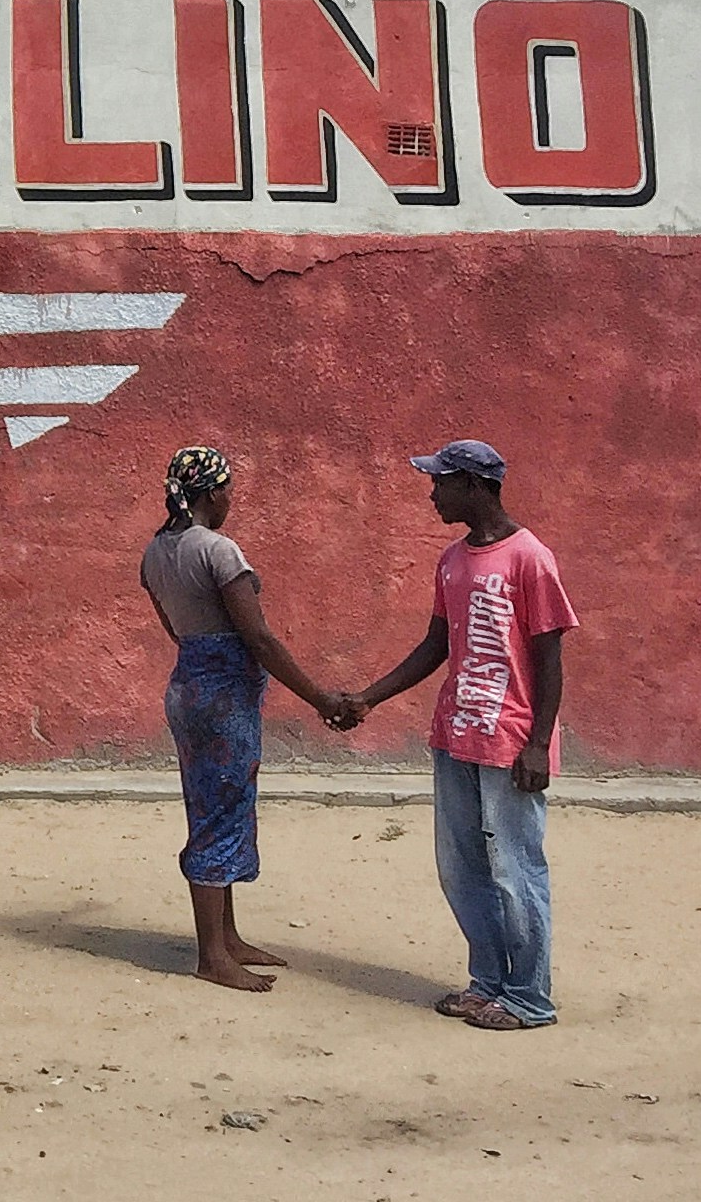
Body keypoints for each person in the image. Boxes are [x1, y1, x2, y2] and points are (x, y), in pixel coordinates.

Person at [346, 439, 579, 1030]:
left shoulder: (530, 558)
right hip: (457, 736)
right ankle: (488, 982)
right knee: (462, 866)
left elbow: (549, 658)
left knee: (515, 868)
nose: (432, 493)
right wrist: (368, 698)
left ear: (474, 487)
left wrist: (537, 742)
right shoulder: (451, 559)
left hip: (510, 743)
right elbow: (435, 646)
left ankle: (529, 998)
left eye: (440, 482)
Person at [137, 446, 359, 994]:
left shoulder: (155, 552)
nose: (231, 499)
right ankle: (213, 954)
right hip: (224, 698)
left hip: (189, 685)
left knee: (215, 804)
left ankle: (227, 937)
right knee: (222, 810)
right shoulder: (219, 551)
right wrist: (319, 697)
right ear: (215, 494)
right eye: (228, 490)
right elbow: (258, 636)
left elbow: (175, 628)